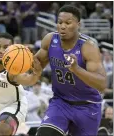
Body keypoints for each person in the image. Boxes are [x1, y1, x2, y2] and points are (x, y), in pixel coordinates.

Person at [34, 5, 107, 136]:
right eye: (60, 22)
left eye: (68, 23)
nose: (62, 26)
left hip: (87, 106)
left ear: (78, 24)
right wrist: (22, 60)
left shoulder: (88, 47)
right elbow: (36, 66)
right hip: (60, 102)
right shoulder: (50, 40)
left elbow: (102, 85)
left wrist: (77, 69)